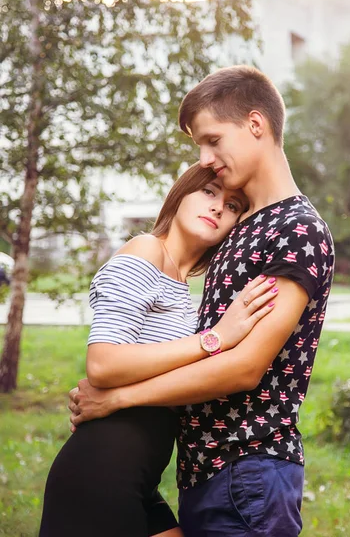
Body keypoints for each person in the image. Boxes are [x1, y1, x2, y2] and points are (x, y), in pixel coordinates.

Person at [69, 65, 335, 536]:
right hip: (203, 474)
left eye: (213, 140)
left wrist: (117, 399)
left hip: (249, 468)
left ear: (256, 125)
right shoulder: (244, 226)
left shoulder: (296, 229)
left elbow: (244, 367)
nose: (206, 158)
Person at [39, 162, 278, 537]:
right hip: (101, 471)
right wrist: (214, 338)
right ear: (179, 195)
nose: (218, 207)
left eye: (233, 206)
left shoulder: (184, 287)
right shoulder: (146, 249)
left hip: (138, 478)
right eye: (209, 192)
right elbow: (103, 362)